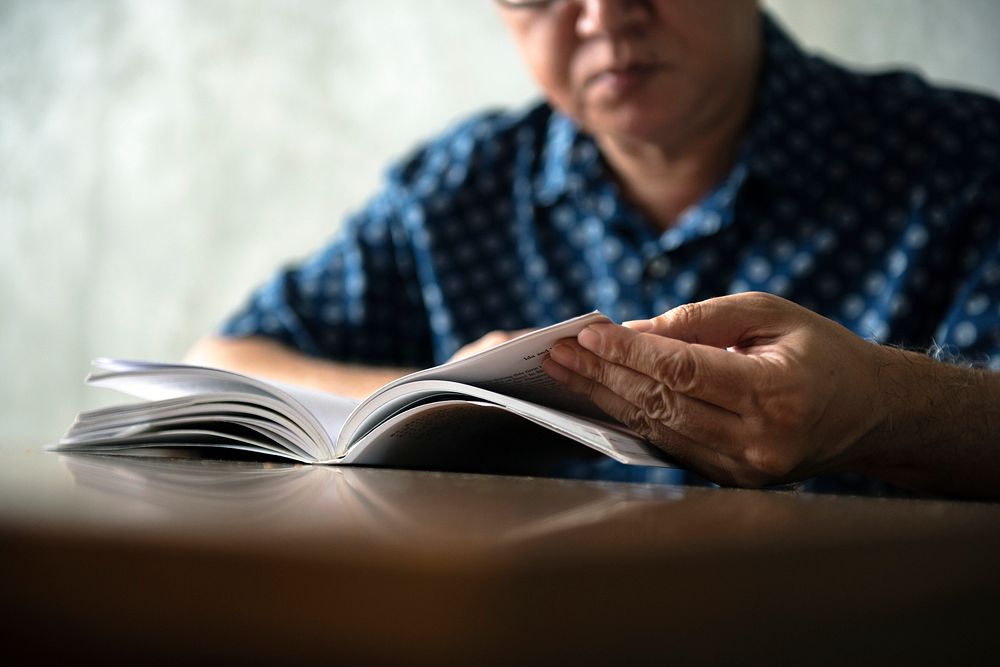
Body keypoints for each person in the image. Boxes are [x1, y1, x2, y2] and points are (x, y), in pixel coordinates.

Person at [186, 0, 1000, 497]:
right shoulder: (453, 192)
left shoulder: (965, 166)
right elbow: (223, 360)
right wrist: (430, 396)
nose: (605, 16)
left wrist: (881, 408)